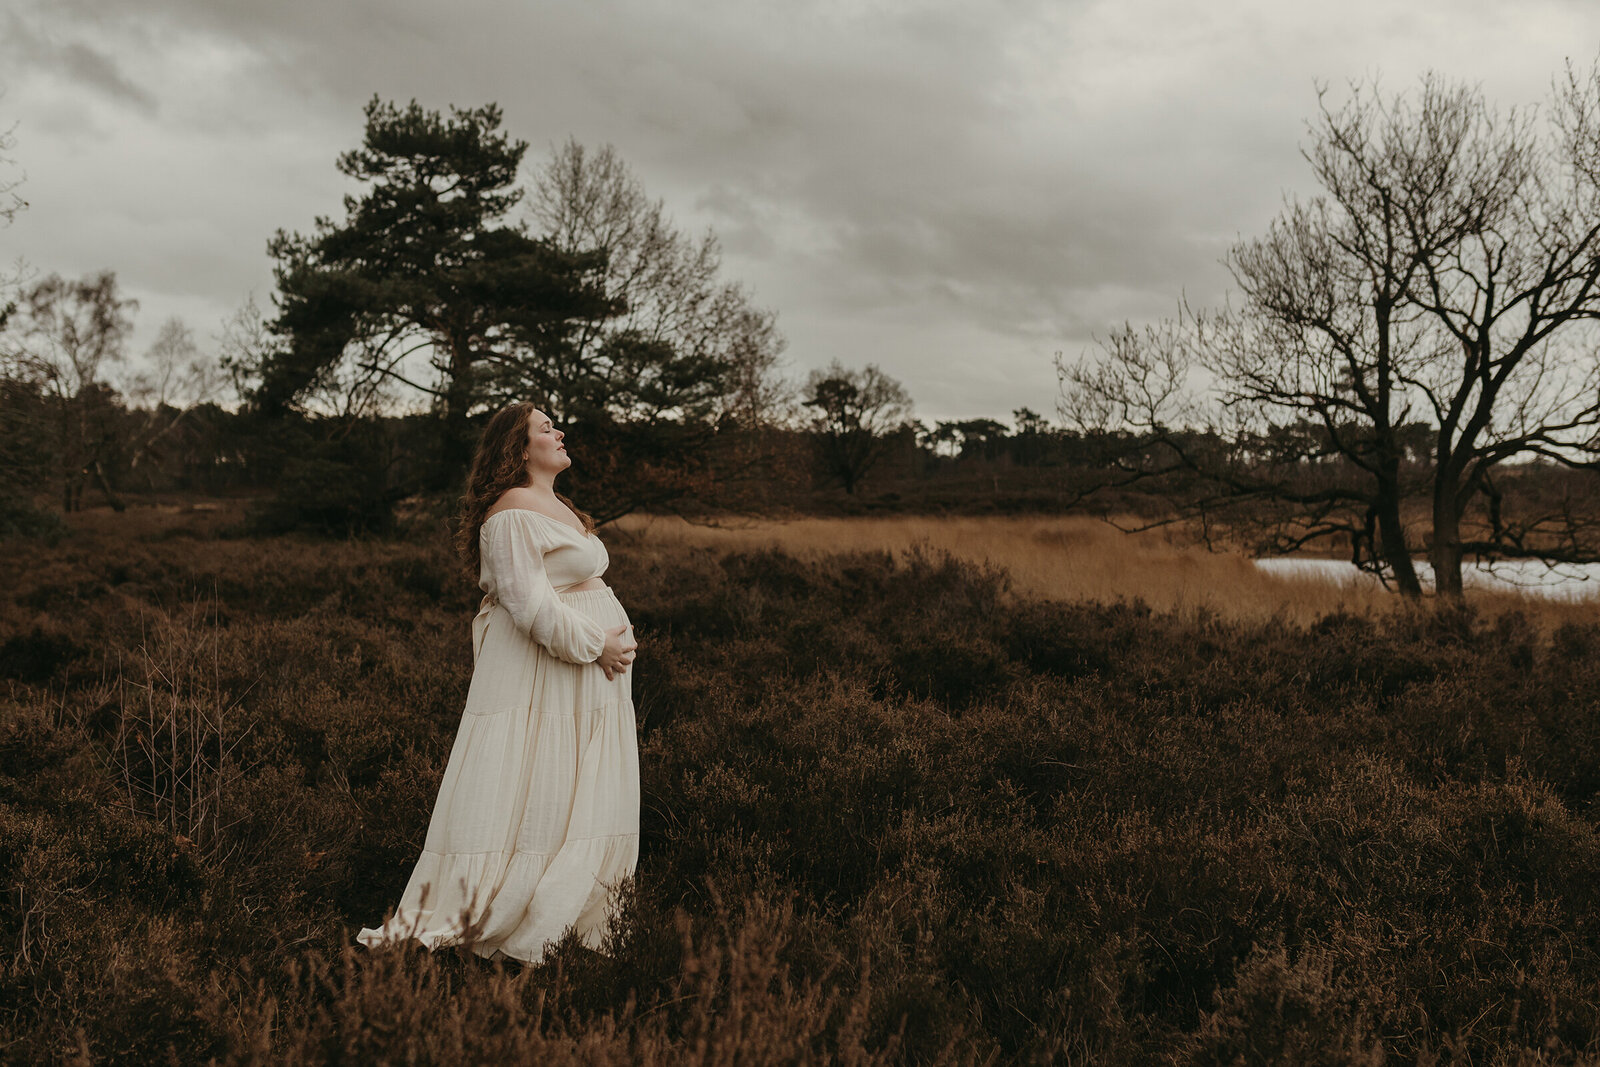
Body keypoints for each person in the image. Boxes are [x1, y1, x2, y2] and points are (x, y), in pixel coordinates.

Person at [357, 402, 640, 962]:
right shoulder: (510, 510)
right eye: (545, 428)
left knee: (575, 794)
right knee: (537, 787)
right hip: (553, 674)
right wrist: (596, 644)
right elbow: (527, 602)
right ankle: (509, 923)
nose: (559, 432)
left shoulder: (557, 504)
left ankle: (576, 922)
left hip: (583, 684)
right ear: (518, 447)